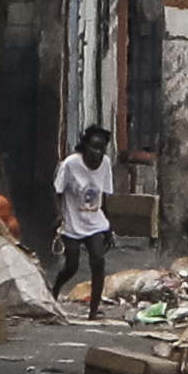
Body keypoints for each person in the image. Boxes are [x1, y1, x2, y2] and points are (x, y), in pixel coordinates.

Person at [50, 127, 115, 320]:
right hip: (72, 221)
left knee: (98, 260)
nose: (98, 153)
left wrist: (108, 225)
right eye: (94, 147)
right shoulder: (71, 164)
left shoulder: (106, 164)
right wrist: (59, 215)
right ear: (85, 146)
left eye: (102, 149)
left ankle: (94, 311)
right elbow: (57, 191)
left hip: (95, 222)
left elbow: (105, 194)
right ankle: (55, 289)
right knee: (72, 265)